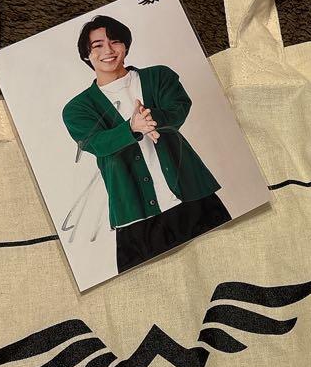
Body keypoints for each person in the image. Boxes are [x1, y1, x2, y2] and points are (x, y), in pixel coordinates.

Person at [62, 15, 231, 274]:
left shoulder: (159, 76)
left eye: (115, 41)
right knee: (149, 287)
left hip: (192, 198)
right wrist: (131, 128)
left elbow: (178, 108)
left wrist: (150, 119)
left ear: (126, 46)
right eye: (98, 45)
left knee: (230, 260)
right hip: (135, 217)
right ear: (86, 55)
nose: (108, 50)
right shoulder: (77, 109)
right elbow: (95, 143)